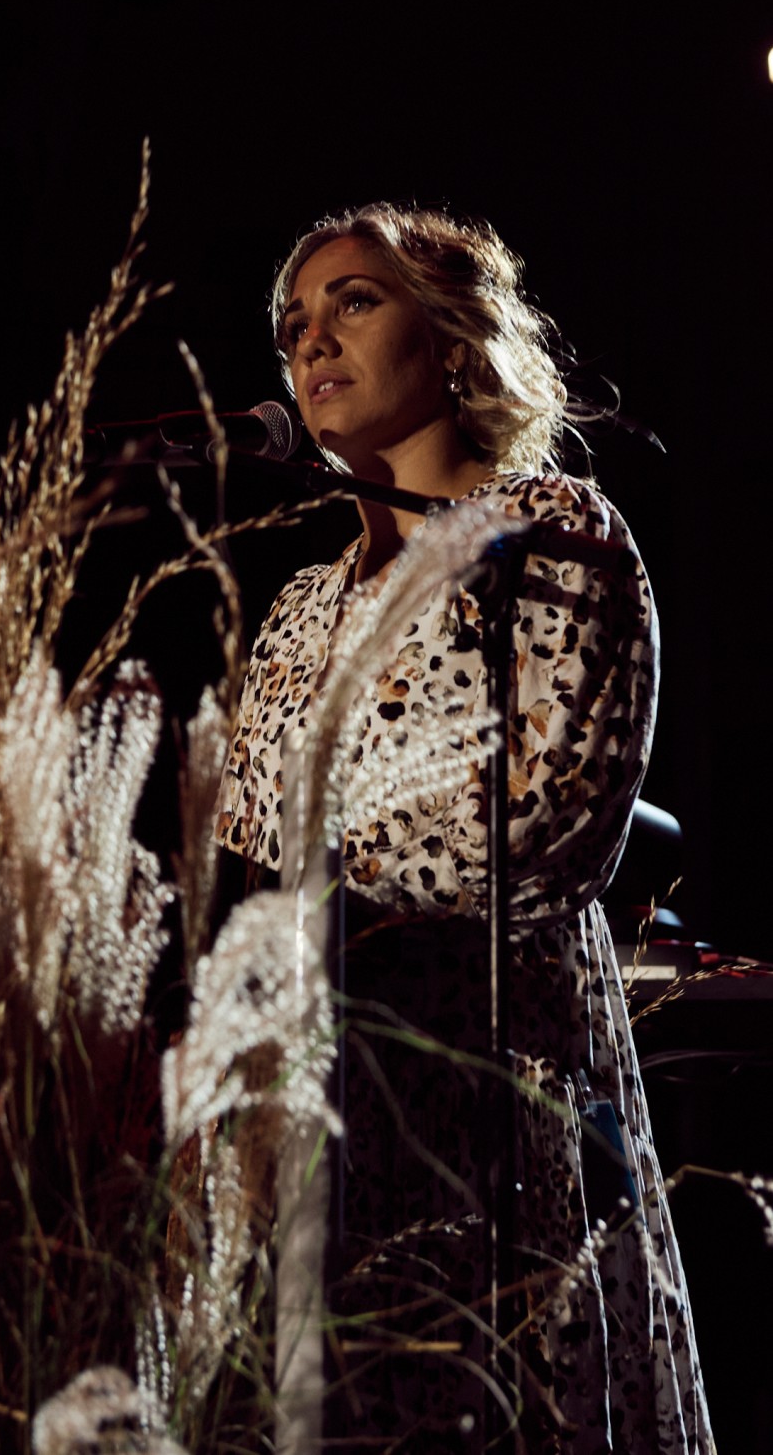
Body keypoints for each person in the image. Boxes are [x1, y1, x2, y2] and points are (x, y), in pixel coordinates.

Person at [216, 204, 713, 1451]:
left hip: (491, 1104)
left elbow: (537, 832)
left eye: (354, 302)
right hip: (321, 1122)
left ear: (452, 340)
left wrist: (320, 855)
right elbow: (235, 838)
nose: (311, 339)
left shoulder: (559, 543)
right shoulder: (296, 606)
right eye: (291, 324)